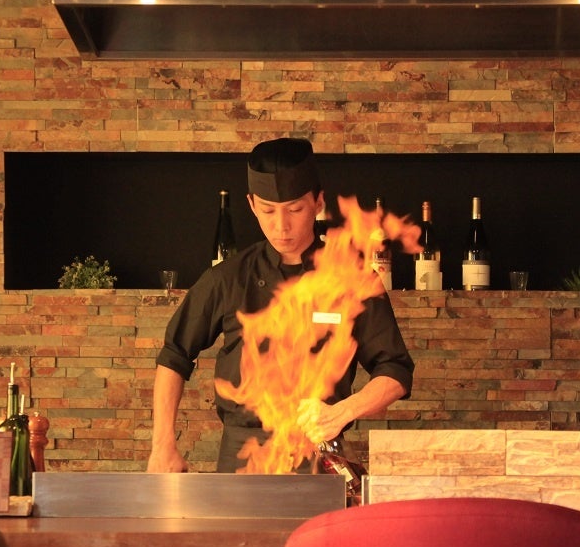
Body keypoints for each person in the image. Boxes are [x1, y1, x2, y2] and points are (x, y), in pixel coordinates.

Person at [147, 137, 415, 473]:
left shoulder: (352, 278)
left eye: (295, 209)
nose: (281, 225)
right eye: (268, 210)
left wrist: (343, 411)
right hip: (242, 459)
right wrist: (163, 447)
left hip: (318, 453)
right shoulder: (228, 278)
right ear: (251, 204)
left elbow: (396, 370)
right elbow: (174, 355)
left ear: (318, 202)